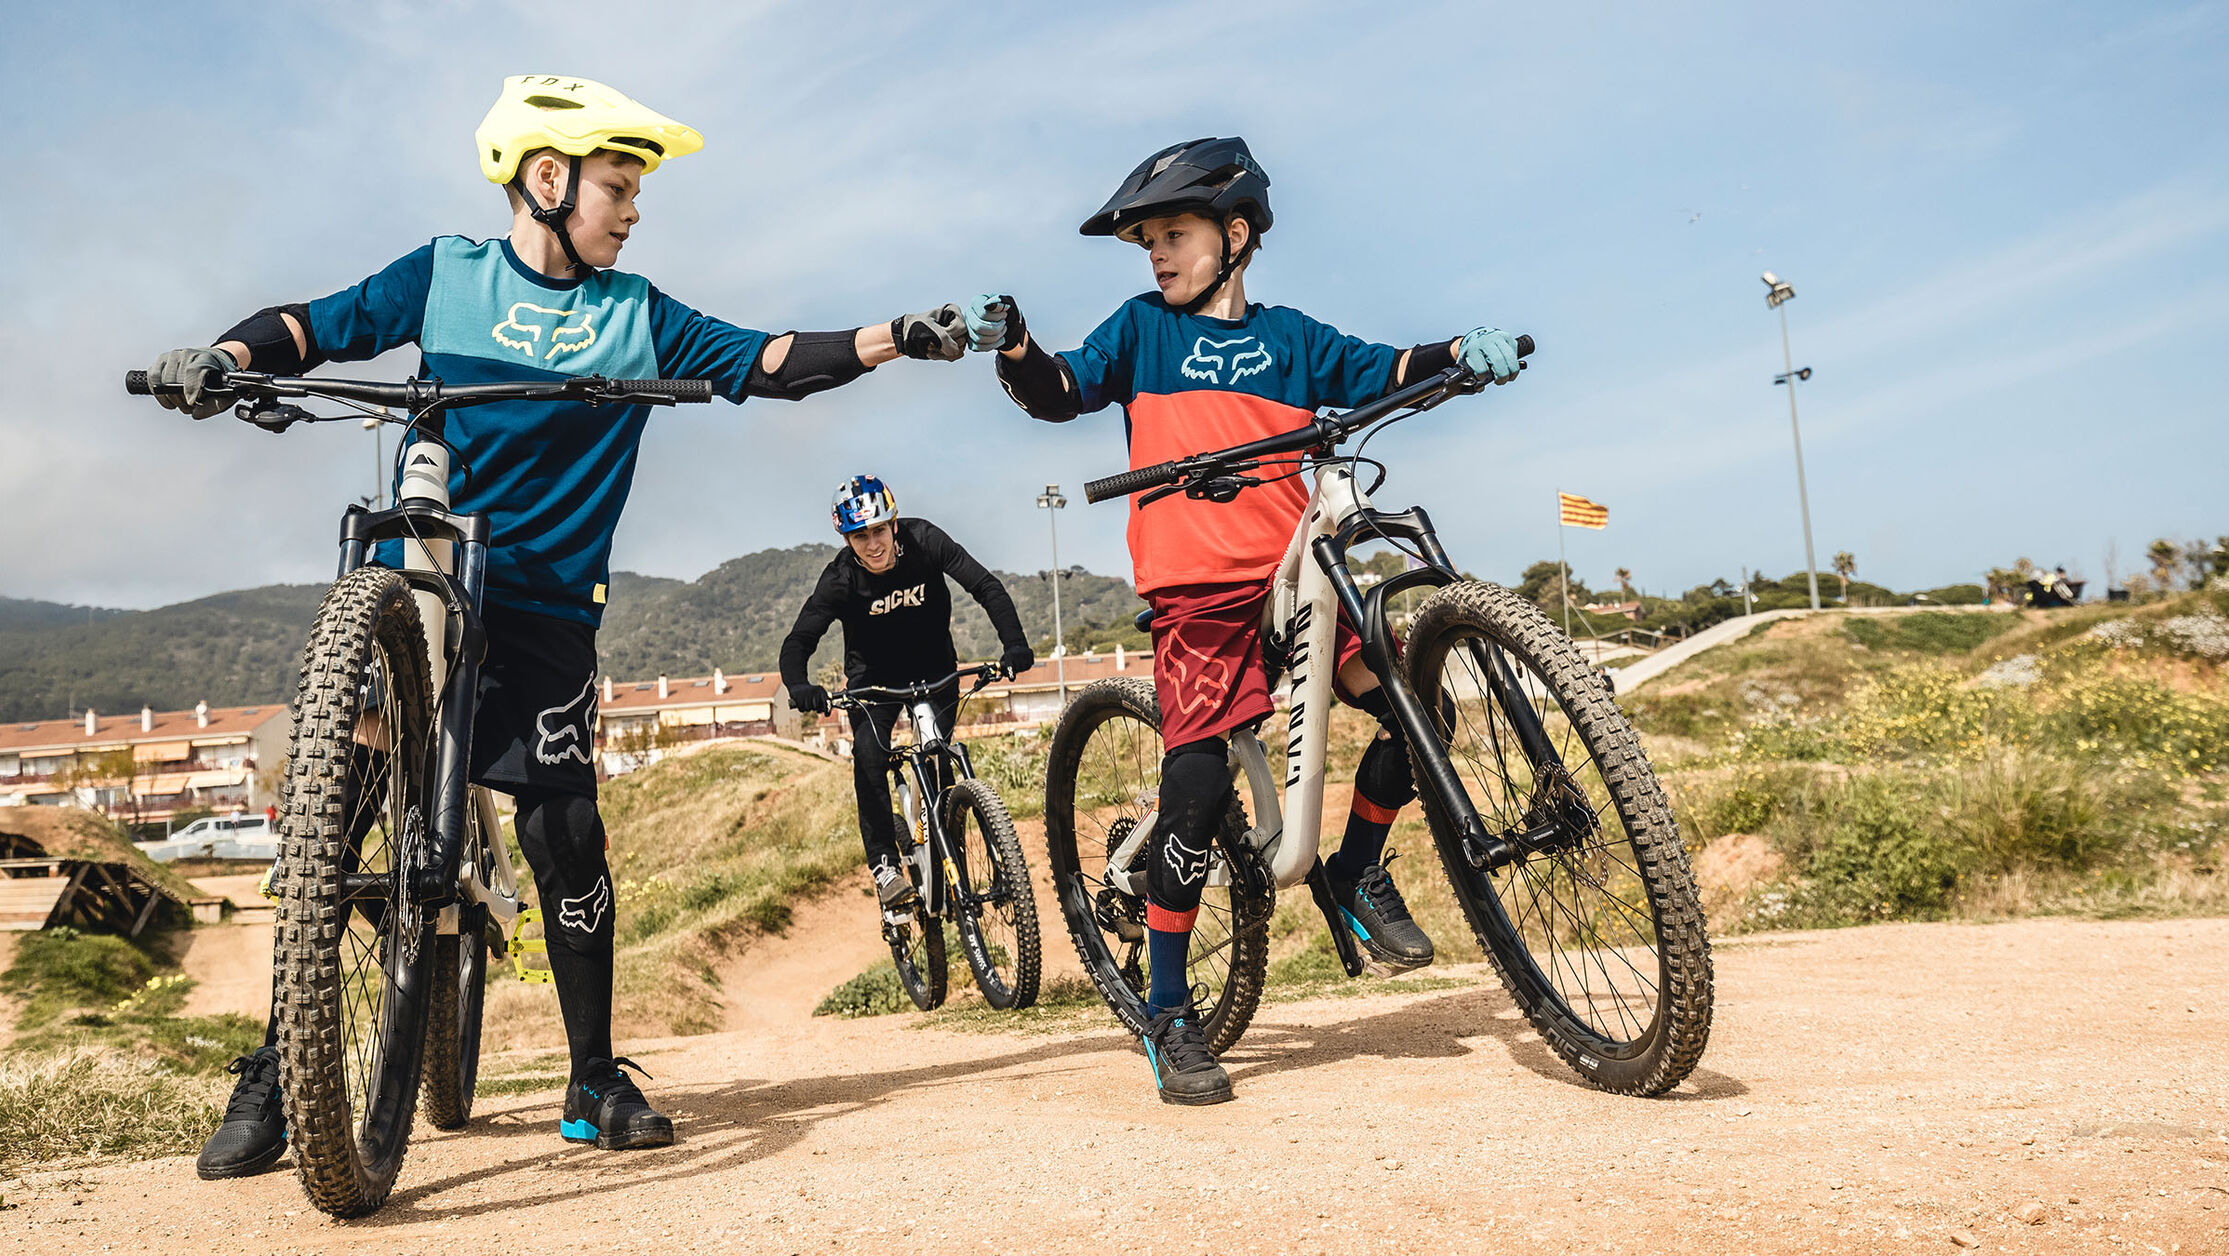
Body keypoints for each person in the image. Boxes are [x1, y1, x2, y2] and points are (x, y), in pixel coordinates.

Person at [152, 76, 984, 1177]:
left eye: (635, 192)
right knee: (338, 809)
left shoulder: (635, 312)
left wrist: (892, 337)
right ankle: (279, 1066)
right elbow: (315, 323)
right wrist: (228, 358)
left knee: (564, 834)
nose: (633, 211)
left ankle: (592, 1074)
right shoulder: (446, 274)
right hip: (428, 586)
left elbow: (769, 360)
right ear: (548, 181)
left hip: (547, 605)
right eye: (618, 187)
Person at [962, 136, 1524, 1104]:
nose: (1158, 256)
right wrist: (1015, 343)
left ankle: (1354, 871)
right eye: (1148, 242)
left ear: (1235, 234)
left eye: (1173, 235)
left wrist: (1458, 357)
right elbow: (1061, 392)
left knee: (1421, 711)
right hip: (1199, 600)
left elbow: (1383, 366)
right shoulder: (1142, 331)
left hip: (1302, 579)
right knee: (1195, 787)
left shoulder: (1294, 339)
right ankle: (1170, 1009)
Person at [779, 476, 1034, 907]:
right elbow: (798, 641)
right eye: (860, 536)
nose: (873, 544)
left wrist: (1014, 644)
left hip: (935, 670)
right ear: (846, 538)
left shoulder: (925, 540)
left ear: (894, 524)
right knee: (869, 757)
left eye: (879, 530)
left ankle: (951, 845)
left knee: (939, 758)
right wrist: (800, 685)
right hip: (872, 683)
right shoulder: (839, 578)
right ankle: (885, 864)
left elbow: (985, 586)